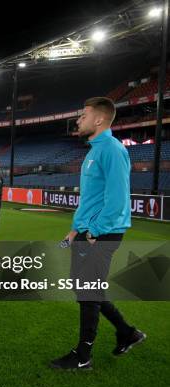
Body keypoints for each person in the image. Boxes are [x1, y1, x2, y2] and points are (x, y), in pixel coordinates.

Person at [50, 97, 145, 371]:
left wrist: (95, 231)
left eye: (84, 115)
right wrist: (75, 230)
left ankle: (83, 356)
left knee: (88, 290)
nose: (79, 119)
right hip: (88, 231)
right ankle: (128, 332)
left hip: (102, 234)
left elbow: (117, 198)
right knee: (84, 288)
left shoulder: (113, 150)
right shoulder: (94, 150)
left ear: (100, 119)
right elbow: (91, 199)